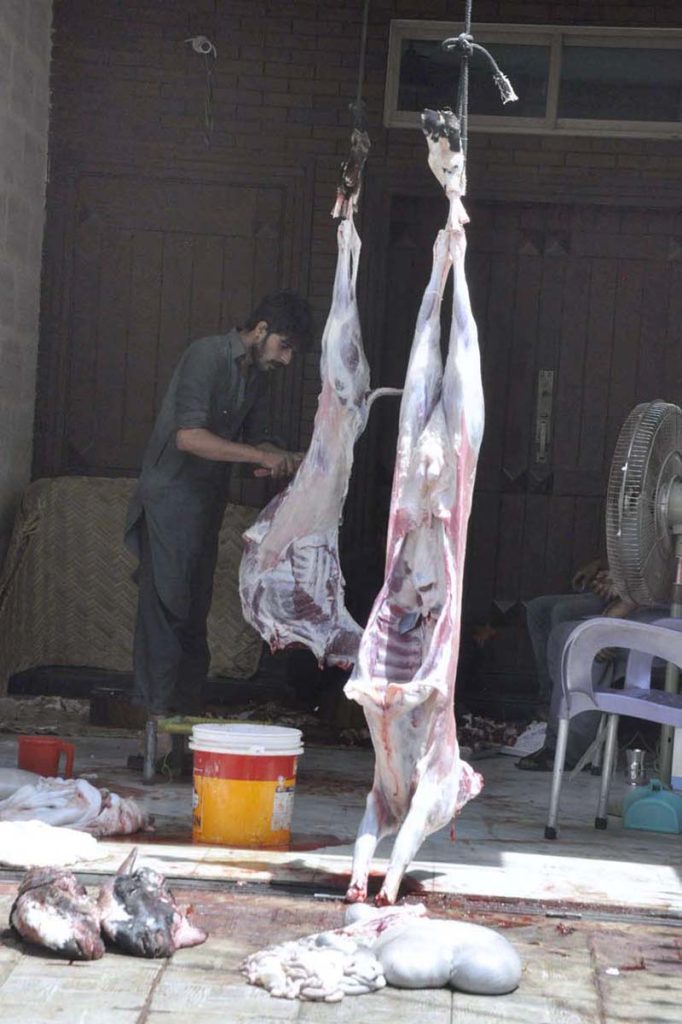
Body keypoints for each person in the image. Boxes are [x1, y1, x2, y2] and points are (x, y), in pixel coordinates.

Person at [124, 290, 314, 721]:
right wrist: (259, 455)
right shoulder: (206, 355)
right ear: (261, 330)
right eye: (284, 346)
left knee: (193, 617)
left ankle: (185, 724)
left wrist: (292, 459)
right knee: (167, 612)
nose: (287, 359)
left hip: (205, 506)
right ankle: (156, 723)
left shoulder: (258, 375)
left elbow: (255, 445)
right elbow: (189, 438)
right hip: (169, 502)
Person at [518, 559, 664, 771]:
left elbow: (665, 577)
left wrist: (622, 601)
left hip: (665, 613)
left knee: (584, 640)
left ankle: (569, 751)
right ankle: (557, 723)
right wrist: (618, 579)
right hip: (639, 599)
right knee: (560, 627)